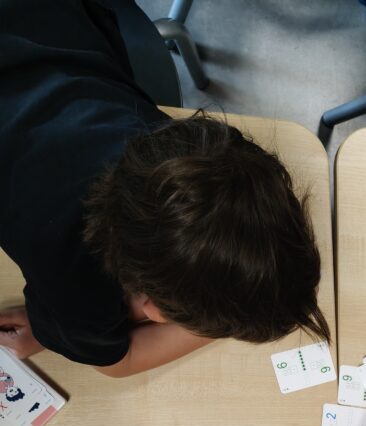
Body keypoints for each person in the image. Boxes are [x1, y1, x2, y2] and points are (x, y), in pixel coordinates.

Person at [0, 0, 329, 377]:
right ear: (153, 312)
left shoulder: (176, 153)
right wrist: (226, 322)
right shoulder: (72, 286)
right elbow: (118, 364)